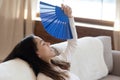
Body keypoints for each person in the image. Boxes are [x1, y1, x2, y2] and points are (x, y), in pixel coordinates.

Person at [3, 4, 80, 80]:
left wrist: (69, 17)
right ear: (37, 54)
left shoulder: (58, 62)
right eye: (43, 44)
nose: (48, 44)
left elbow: (73, 44)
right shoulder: (44, 77)